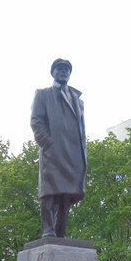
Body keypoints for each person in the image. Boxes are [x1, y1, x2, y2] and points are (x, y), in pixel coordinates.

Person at [30, 58, 87, 238]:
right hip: (53, 150)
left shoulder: (77, 99)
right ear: (53, 72)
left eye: (66, 69)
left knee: (67, 192)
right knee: (48, 190)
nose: (63, 72)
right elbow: (36, 120)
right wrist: (47, 143)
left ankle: (61, 230)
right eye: (60, 68)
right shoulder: (43, 94)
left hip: (73, 152)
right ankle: (48, 229)